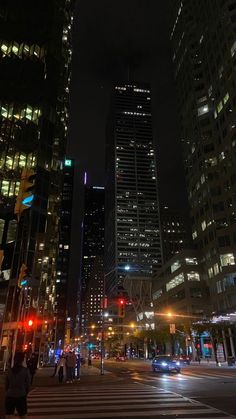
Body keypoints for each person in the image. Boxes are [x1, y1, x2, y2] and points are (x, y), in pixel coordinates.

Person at [5, 351, 31, 419]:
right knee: (23, 415)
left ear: (14, 359)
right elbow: (28, 384)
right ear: (22, 360)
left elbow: (6, 384)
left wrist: (8, 391)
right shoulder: (25, 371)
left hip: (10, 395)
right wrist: (25, 392)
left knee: (9, 415)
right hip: (21, 395)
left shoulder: (9, 371)